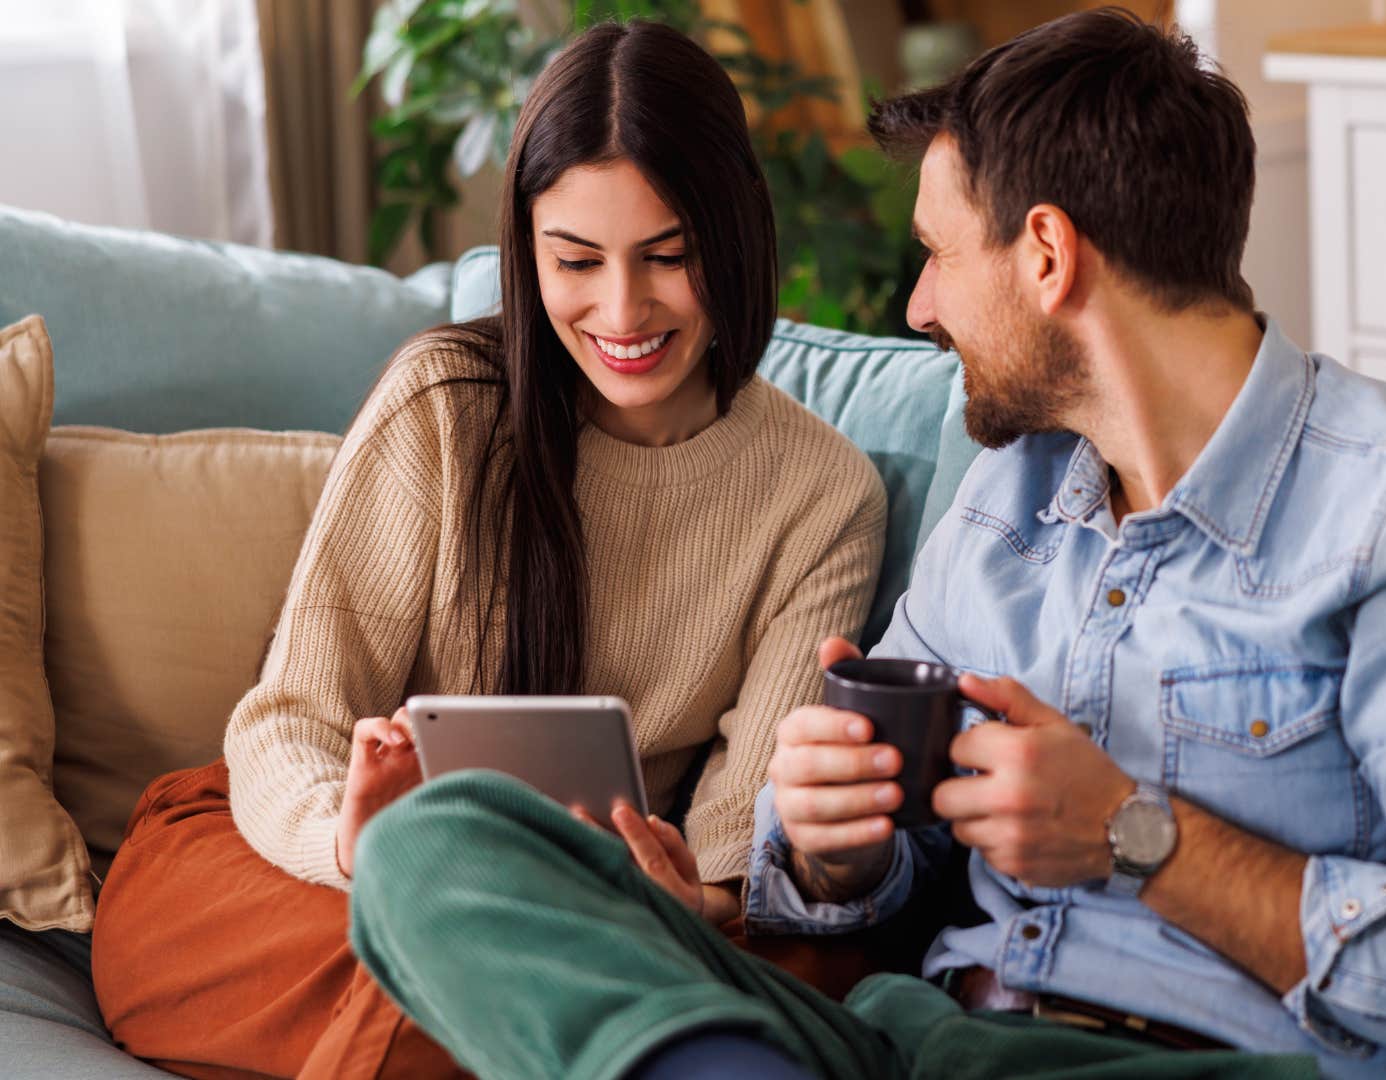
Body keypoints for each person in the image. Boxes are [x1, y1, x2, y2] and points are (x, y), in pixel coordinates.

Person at [345, 9, 1386, 1079]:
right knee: (432, 843)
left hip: (1200, 1059)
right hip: (920, 1040)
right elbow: (840, 867)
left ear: (1049, 254)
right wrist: (837, 844)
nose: (915, 306)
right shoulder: (1013, 501)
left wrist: (1138, 834)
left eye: (939, 256)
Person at [88, 20, 887, 1079]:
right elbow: (290, 723)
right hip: (326, 872)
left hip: (601, 912)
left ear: (733, 233)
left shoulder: (820, 493)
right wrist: (357, 843)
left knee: (738, 969)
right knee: (366, 945)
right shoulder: (445, 403)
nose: (621, 309)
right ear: (527, 248)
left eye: (668, 256)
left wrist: (682, 888)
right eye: (575, 261)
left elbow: (750, 852)